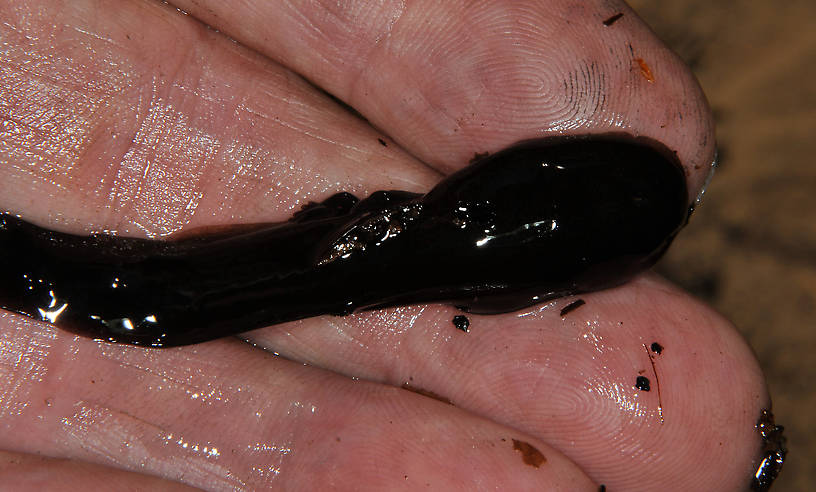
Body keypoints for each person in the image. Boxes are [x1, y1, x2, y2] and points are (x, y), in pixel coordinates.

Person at [0, 1, 774, 490]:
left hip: (186, 288)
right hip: (180, 289)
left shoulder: (420, 228)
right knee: (148, 294)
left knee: (150, 294)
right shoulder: (441, 245)